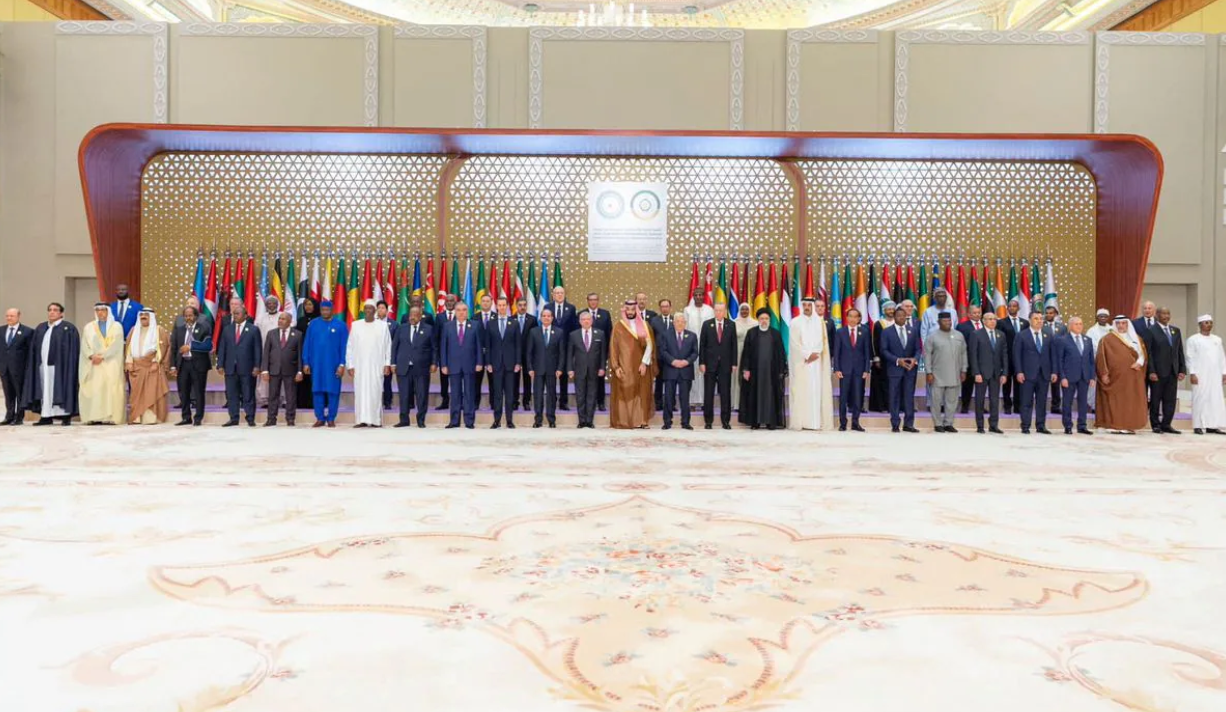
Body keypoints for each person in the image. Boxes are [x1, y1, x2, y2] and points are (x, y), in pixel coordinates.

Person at [23, 302, 79, 426]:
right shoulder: (41, 327)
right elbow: (34, 348)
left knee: (60, 388)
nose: (52, 312)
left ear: (61, 313)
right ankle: (46, 415)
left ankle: (65, 415)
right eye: (50, 310)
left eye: (55, 310)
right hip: (43, 366)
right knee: (45, 390)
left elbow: (72, 351)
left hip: (61, 368)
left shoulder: (68, 328)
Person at [1096, 316, 1149, 434]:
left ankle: (1129, 425)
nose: (1121, 326)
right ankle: (1114, 425)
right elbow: (1101, 357)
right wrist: (1104, 373)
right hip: (1115, 377)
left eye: (1124, 323)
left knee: (1130, 401)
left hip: (1133, 377)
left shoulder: (1137, 338)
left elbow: (1143, 354)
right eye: (1118, 323)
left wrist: (1139, 363)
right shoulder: (1107, 339)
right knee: (1116, 401)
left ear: (1128, 324)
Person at [609, 299, 655, 429]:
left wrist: (644, 363)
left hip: (640, 366)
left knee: (642, 392)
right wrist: (616, 366)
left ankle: (642, 421)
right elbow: (613, 347)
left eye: (632, 310)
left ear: (636, 310)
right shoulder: (618, 326)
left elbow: (650, 345)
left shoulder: (645, 325)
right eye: (628, 309)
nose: (630, 312)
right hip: (624, 366)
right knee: (625, 392)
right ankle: (625, 421)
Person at [788, 298, 833, 431]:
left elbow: (822, 342)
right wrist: (807, 355)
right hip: (801, 362)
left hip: (816, 362)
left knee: (816, 391)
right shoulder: (795, 322)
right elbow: (794, 343)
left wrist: (815, 353)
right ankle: (802, 422)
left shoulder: (819, 322)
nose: (807, 307)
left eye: (809, 305)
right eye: (805, 305)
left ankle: (815, 423)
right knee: (801, 391)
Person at [346, 300, 392, 428]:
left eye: (370, 308)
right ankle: (361, 420)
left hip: (377, 366)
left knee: (375, 392)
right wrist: (350, 364)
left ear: (375, 311)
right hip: (359, 366)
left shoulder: (382, 326)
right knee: (360, 393)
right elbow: (350, 346)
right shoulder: (356, 325)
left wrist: (387, 364)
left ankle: (375, 420)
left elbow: (388, 346)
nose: (367, 311)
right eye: (365, 308)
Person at [78, 302, 125, 425]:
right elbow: (84, 345)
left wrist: (103, 356)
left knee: (110, 389)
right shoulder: (89, 327)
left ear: (108, 311)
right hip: (93, 364)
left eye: (103, 310)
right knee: (94, 390)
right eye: (98, 310)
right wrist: (91, 356)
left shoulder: (116, 326)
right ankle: (93, 417)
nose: (100, 313)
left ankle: (110, 418)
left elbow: (116, 345)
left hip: (111, 363)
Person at [739, 308, 786, 430]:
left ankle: (771, 422)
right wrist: (746, 369)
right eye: (762, 319)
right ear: (758, 320)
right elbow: (746, 353)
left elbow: (781, 353)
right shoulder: (752, 333)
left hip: (772, 372)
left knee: (771, 395)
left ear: (769, 320)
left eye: (766, 319)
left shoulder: (775, 334)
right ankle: (755, 422)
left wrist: (782, 370)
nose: (764, 321)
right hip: (755, 372)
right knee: (755, 395)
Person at [303, 300, 347, 428]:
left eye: (327, 310)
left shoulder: (341, 325)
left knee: (333, 391)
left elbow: (345, 347)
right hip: (316, 364)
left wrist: (342, 364)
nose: (325, 312)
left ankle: (331, 418)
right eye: (323, 310)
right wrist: (306, 362)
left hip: (334, 365)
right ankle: (320, 418)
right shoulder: (313, 324)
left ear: (332, 310)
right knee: (317, 390)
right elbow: (307, 344)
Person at [216, 303, 261, 427]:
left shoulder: (253, 329)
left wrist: (257, 366)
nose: (235, 316)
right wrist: (220, 364)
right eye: (234, 314)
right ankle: (233, 418)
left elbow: (257, 349)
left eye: (237, 313)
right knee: (231, 395)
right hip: (230, 368)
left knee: (248, 394)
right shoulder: (227, 329)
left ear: (245, 315)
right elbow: (222, 348)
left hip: (247, 368)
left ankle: (250, 418)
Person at [1142, 307, 1186, 434]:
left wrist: (1182, 369)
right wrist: (1151, 371)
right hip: (1157, 372)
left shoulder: (1175, 330)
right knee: (1155, 400)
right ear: (1157, 315)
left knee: (1170, 400)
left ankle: (1166, 424)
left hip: (1173, 372)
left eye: (1168, 313)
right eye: (1163, 313)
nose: (1166, 316)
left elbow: (1179, 351)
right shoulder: (1151, 330)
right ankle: (1155, 425)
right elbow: (1148, 353)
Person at [440, 302, 482, 429]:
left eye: (464, 310)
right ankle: (454, 421)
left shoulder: (475, 325)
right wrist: (443, 364)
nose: (461, 312)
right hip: (453, 365)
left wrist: (479, 362)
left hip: (470, 364)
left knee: (469, 393)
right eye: (458, 310)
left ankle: (469, 421)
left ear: (467, 312)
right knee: (455, 394)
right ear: (455, 312)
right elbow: (443, 346)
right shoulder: (447, 326)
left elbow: (479, 346)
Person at [124, 308, 169, 424]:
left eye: (146, 315)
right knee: (136, 395)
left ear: (151, 317)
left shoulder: (159, 330)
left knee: (150, 393)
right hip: (136, 367)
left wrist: (156, 362)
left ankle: (150, 418)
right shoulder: (133, 330)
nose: (143, 317)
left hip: (152, 366)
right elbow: (128, 347)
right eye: (141, 315)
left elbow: (163, 347)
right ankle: (136, 418)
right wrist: (129, 362)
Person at [924, 312, 967, 433]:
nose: (948, 323)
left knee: (952, 401)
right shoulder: (932, 337)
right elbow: (927, 356)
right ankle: (938, 424)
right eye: (945, 321)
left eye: (949, 320)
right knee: (936, 401)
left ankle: (948, 423)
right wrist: (928, 372)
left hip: (955, 374)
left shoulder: (959, 335)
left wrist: (964, 369)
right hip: (937, 375)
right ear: (939, 322)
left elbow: (964, 353)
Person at [392, 306, 434, 428]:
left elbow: (434, 348)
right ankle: (404, 420)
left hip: (422, 367)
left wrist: (434, 363)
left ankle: (421, 420)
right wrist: (393, 363)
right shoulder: (401, 328)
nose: (412, 317)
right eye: (411, 314)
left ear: (420, 316)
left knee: (422, 394)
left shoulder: (429, 329)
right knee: (404, 394)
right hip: (403, 366)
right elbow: (394, 346)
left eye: (415, 315)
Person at [1013, 312, 1055, 434]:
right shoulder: (1021, 335)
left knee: (1042, 401)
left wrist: (1054, 371)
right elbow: (1016, 355)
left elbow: (1053, 355)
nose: (1039, 321)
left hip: (1044, 374)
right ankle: (1025, 425)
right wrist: (1019, 372)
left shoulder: (1048, 335)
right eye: (1036, 318)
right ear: (1030, 320)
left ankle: (1041, 426)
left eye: (1041, 318)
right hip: (1027, 374)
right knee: (1026, 401)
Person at [170, 305, 212, 426]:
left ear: (196, 316)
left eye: (190, 315)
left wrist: (191, 346)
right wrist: (173, 366)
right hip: (183, 364)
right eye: (186, 316)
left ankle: (198, 418)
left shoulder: (204, 327)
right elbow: (174, 348)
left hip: (198, 365)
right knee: (183, 392)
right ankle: (186, 417)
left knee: (198, 392)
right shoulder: (179, 329)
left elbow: (208, 346)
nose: (188, 318)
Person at [1054, 316, 1095, 435]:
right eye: (1076, 324)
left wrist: (1092, 377)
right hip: (1069, 376)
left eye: (1081, 324)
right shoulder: (1063, 340)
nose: (1079, 326)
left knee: (1083, 402)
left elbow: (1091, 360)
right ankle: (1068, 425)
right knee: (1067, 402)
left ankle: (1082, 426)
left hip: (1084, 376)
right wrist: (1063, 377)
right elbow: (1060, 360)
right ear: (1070, 326)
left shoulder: (1087, 340)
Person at [1185, 314, 1226, 435]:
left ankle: (1212, 425)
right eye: (1206, 322)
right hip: (1200, 374)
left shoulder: (1217, 339)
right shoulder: (1193, 339)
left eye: (1210, 322)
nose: (1209, 325)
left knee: (1215, 399)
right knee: (1200, 399)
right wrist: (1192, 373)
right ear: (1200, 325)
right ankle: (1198, 425)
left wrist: (1224, 372)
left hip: (1215, 375)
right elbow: (1190, 357)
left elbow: (1222, 357)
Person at [260, 312, 303, 427]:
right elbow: (266, 352)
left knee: (291, 396)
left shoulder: (298, 334)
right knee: (273, 395)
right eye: (279, 318)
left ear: (289, 321)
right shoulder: (271, 333)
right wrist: (265, 370)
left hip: (291, 370)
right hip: (274, 369)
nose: (280, 321)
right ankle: (271, 419)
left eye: (283, 319)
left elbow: (300, 354)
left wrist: (300, 371)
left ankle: (290, 419)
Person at [485, 296, 521, 429]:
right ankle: (497, 420)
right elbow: (488, 345)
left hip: (510, 364)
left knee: (510, 394)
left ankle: (509, 420)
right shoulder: (490, 323)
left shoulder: (514, 323)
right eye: (499, 305)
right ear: (496, 307)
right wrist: (488, 363)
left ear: (507, 306)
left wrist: (518, 362)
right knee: (497, 394)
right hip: (495, 364)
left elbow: (518, 345)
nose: (501, 307)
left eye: (503, 305)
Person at [699, 302, 736, 429]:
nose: (719, 312)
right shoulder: (706, 324)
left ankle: (726, 421)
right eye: (716, 310)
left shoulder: (731, 324)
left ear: (724, 311)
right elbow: (702, 345)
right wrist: (702, 362)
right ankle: (708, 421)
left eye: (721, 310)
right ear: (714, 311)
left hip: (726, 365)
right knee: (708, 393)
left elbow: (734, 346)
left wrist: (734, 363)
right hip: (709, 365)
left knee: (725, 394)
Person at [968, 311, 1007, 434]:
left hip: (996, 374)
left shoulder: (1001, 335)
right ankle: (980, 425)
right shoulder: (976, 334)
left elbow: (1004, 355)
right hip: (981, 373)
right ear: (983, 321)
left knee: (994, 400)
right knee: (979, 400)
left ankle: (993, 425)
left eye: (994, 319)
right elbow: (973, 355)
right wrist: (976, 373)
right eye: (989, 319)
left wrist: (1004, 373)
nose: (992, 321)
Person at [882, 305, 920, 433]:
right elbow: (884, 350)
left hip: (910, 370)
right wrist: (898, 360)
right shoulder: (887, 332)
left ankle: (909, 424)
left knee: (909, 397)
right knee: (894, 397)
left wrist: (915, 359)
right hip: (894, 369)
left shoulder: (913, 330)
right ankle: (895, 424)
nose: (901, 318)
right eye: (899, 316)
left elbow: (918, 349)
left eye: (904, 316)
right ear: (894, 317)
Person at [566, 310, 605, 429]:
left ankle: (589, 421)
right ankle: (582, 421)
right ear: (580, 321)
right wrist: (570, 369)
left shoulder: (600, 334)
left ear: (592, 321)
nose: (586, 321)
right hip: (579, 370)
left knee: (592, 395)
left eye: (588, 319)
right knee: (580, 395)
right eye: (583, 319)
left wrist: (602, 367)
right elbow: (570, 354)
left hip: (594, 370)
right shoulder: (573, 335)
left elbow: (603, 353)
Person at [833, 307, 871, 431]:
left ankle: (855, 422)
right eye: (850, 316)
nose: (853, 319)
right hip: (844, 370)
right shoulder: (840, 332)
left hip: (859, 371)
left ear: (859, 318)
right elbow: (836, 352)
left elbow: (867, 352)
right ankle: (843, 423)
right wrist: (837, 369)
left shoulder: (864, 332)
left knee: (858, 397)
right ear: (847, 318)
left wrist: (866, 369)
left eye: (855, 316)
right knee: (843, 397)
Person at [659, 312, 698, 430]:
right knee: (668, 398)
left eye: (682, 321)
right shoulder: (666, 335)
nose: (680, 324)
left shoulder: (692, 336)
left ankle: (685, 422)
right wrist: (673, 361)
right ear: (674, 323)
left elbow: (695, 352)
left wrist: (686, 361)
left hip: (686, 371)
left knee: (685, 398)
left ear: (685, 323)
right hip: (670, 370)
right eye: (678, 321)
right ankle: (667, 422)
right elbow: (663, 351)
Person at [525, 307, 563, 428]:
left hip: (552, 369)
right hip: (537, 369)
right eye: (544, 316)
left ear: (552, 318)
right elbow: (529, 352)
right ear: (540, 318)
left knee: (551, 395)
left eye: (548, 316)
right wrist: (530, 368)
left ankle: (551, 420)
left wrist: (560, 368)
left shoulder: (559, 332)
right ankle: (538, 420)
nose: (546, 318)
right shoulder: (533, 332)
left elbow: (562, 353)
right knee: (538, 395)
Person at [683, 288, 714, 408]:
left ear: (704, 296)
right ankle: (692, 401)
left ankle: (705, 401)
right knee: (693, 373)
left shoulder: (709, 310)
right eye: (696, 295)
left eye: (701, 295)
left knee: (705, 373)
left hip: (707, 346)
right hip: (691, 345)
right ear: (693, 296)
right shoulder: (687, 310)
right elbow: (684, 328)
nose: (699, 297)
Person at [580, 293, 612, 411]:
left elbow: (609, 333)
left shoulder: (605, 314)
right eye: (591, 299)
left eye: (595, 299)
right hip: (584, 353)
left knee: (600, 378)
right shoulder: (581, 314)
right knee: (585, 379)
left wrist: (608, 352)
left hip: (599, 353)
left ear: (598, 301)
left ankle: (601, 402)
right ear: (587, 301)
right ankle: (587, 403)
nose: (593, 302)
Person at [1, 308, 32, 425]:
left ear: (18, 316)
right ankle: (9, 416)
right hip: (4, 368)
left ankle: (19, 417)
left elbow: (30, 352)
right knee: (8, 394)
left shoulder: (27, 331)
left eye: (12, 316)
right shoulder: (1, 330)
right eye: (7, 316)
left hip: (20, 369)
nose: (9, 318)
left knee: (19, 394)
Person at [549, 286, 576, 410]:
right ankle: (552, 400)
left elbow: (574, 327)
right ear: (553, 295)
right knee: (551, 375)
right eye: (557, 293)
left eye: (561, 293)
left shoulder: (571, 308)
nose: (559, 295)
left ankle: (563, 401)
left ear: (564, 294)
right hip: (551, 348)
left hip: (565, 348)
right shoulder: (547, 307)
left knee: (564, 376)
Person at [253, 295, 282, 408]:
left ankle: (282, 399)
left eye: (273, 303)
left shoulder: (282, 316)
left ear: (277, 305)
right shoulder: (260, 318)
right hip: (264, 350)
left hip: (280, 351)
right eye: (269, 303)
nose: (271, 305)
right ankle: (265, 399)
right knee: (265, 374)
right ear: (266, 305)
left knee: (280, 374)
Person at [997, 298, 1026, 414]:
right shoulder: (1001, 322)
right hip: (1007, 358)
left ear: (1018, 308)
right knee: (1007, 384)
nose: (1012, 308)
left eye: (1014, 306)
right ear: (1007, 308)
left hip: (1021, 359)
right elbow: (999, 341)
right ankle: (1007, 406)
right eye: (1010, 306)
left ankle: (1018, 406)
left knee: (1019, 383)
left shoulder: (1025, 323)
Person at [954, 304, 984, 413]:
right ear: (969, 314)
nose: (977, 315)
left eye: (979, 312)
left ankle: (980, 407)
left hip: (983, 361)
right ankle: (965, 406)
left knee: (982, 386)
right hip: (968, 361)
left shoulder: (986, 324)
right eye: (974, 313)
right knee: (967, 385)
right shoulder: (962, 327)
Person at [867, 301, 895, 413]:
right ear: (884, 311)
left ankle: (894, 405)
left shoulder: (898, 322)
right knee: (882, 383)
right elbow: (875, 341)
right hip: (882, 359)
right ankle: (882, 406)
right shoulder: (879, 324)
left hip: (895, 359)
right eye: (889, 309)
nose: (891, 311)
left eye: (892, 309)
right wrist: (876, 357)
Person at [433, 294, 459, 410]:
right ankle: (445, 401)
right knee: (444, 380)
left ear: (456, 302)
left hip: (458, 354)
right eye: (447, 300)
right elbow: (436, 337)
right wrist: (437, 357)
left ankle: (458, 401)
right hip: (444, 355)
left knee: (457, 379)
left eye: (451, 300)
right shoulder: (439, 317)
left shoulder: (460, 314)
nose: (449, 302)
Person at [647, 299, 673, 411]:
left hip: (672, 356)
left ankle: (671, 404)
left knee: (671, 381)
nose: (665, 308)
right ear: (660, 308)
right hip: (659, 356)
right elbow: (650, 338)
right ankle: (658, 403)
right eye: (662, 306)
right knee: (659, 381)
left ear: (670, 307)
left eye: (667, 306)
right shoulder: (654, 321)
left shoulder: (675, 320)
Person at [1085, 308, 1112, 411]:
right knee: (1094, 384)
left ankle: (1107, 406)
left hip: (1110, 362)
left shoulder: (1112, 330)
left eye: (1105, 316)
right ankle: (1093, 405)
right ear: (1097, 317)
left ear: (1108, 318)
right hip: (1096, 361)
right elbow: (1091, 346)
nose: (1103, 318)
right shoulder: (1091, 331)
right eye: (1101, 316)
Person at [294, 297, 318, 410]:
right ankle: (302, 402)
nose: (308, 307)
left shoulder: (319, 320)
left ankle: (315, 402)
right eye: (306, 305)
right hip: (303, 352)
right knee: (304, 378)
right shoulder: (301, 320)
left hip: (317, 354)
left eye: (310, 304)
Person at [513, 297, 537, 411]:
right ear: (516, 306)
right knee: (514, 379)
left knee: (527, 379)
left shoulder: (532, 320)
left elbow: (535, 337)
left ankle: (526, 401)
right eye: (520, 305)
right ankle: (515, 401)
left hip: (528, 354)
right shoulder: (511, 319)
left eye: (524, 305)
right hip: (514, 354)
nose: (522, 307)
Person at [473, 294, 495, 410]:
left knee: (493, 381)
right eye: (483, 301)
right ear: (480, 303)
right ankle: (475, 403)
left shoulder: (497, 317)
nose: (485, 303)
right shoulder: (474, 318)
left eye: (487, 301)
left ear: (491, 303)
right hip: (478, 355)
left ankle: (493, 403)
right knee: (476, 381)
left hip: (493, 354)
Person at [733, 302, 756, 411]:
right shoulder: (734, 323)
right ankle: (736, 404)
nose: (744, 311)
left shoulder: (755, 323)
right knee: (737, 377)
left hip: (751, 353)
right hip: (737, 352)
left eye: (746, 309)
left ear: (749, 310)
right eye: (742, 309)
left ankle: (749, 403)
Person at [376, 301, 397, 410]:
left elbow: (395, 343)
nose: (380, 310)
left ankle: (387, 402)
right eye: (379, 308)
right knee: (375, 382)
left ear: (387, 310)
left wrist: (392, 361)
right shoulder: (372, 323)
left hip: (387, 357)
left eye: (383, 308)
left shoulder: (394, 324)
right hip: (374, 358)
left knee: (387, 381)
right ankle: (375, 402)